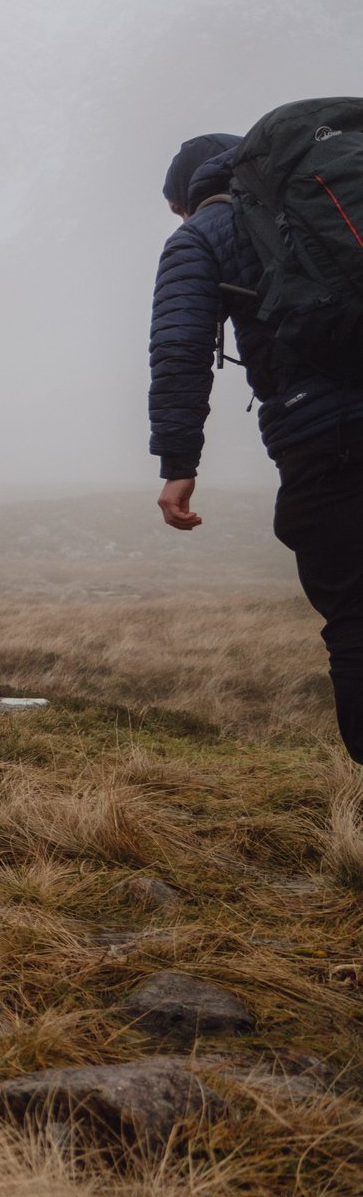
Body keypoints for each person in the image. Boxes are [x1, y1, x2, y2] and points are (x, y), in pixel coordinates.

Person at [149, 133, 363, 761]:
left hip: (328, 443)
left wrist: (178, 465)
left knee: (355, 617)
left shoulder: (204, 233)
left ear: (186, 197)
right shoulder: (329, 205)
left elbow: (179, 350)